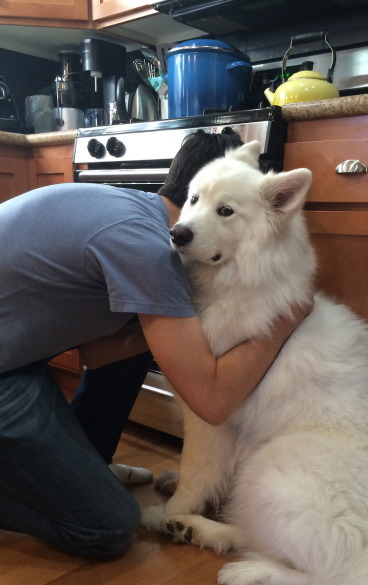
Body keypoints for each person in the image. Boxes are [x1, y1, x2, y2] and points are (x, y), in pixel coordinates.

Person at [0, 129, 312, 559]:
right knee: (107, 526)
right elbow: (213, 401)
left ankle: (86, 464)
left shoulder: (136, 209)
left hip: (14, 353)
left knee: (155, 334)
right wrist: (288, 316)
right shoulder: (148, 251)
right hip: (7, 374)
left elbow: (99, 353)